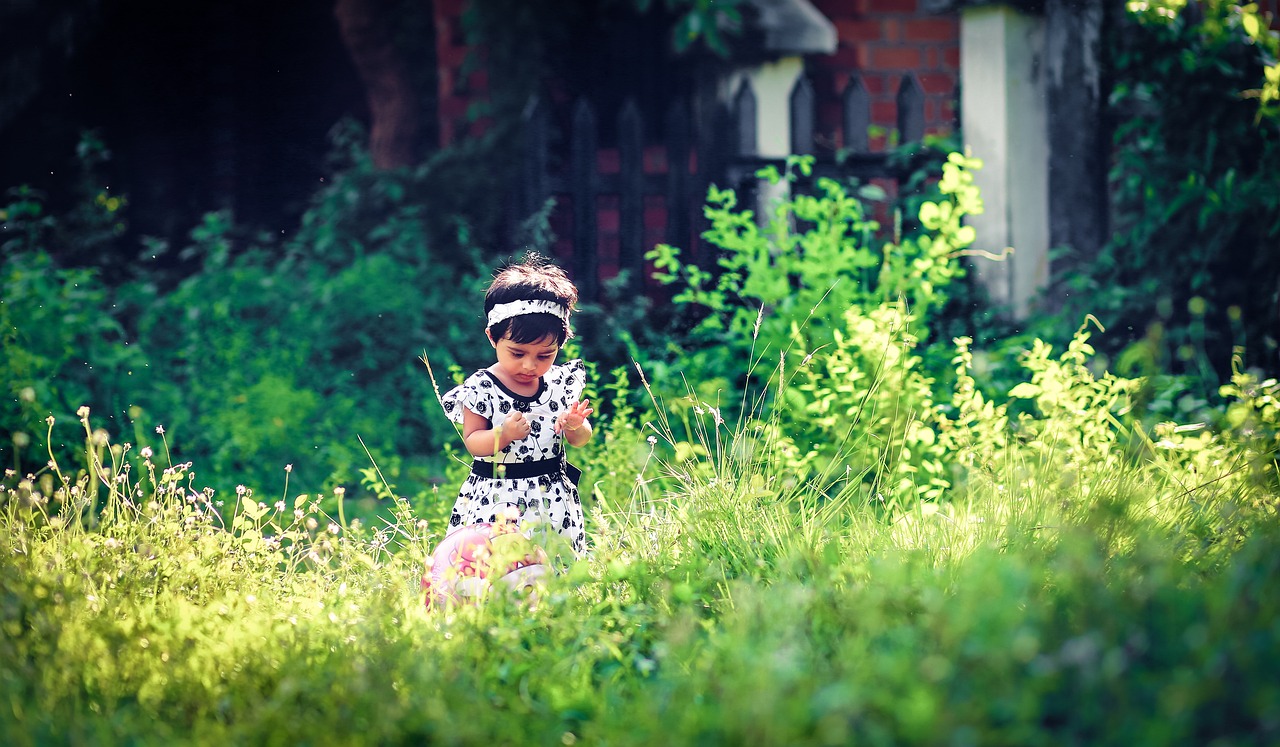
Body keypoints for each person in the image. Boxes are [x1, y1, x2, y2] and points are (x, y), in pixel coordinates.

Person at [439, 254, 594, 554]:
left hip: (551, 497)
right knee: (499, 567)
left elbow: (580, 439)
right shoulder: (482, 388)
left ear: (560, 345)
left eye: (544, 355)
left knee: (551, 566)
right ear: (492, 338)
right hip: (498, 498)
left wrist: (575, 426)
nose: (529, 365)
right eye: (517, 352)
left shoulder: (560, 385)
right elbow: (473, 442)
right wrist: (504, 434)